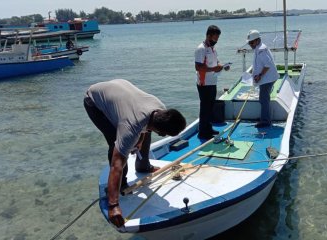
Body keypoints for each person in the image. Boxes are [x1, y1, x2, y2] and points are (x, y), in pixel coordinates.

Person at [84, 79, 186, 227]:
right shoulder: (130, 127)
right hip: (94, 101)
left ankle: (143, 166)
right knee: (115, 144)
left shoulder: (160, 109)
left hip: (119, 89)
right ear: (161, 131)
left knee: (142, 133)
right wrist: (113, 206)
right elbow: (117, 164)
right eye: (163, 134)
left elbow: (147, 126)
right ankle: (120, 186)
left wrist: (140, 139)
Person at [195, 25, 230, 140]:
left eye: (218, 38)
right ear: (208, 35)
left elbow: (215, 62)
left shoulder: (212, 49)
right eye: (215, 38)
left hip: (213, 82)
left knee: (210, 107)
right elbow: (198, 67)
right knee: (205, 108)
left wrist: (222, 66)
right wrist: (214, 69)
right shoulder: (201, 49)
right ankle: (203, 132)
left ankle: (208, 128)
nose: (217, 40)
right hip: (204, 83)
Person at [247, 30, 280, 128]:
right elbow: (259, 64)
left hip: (267, 79)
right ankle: (265, 118)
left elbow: (268, 64)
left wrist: (260, 75)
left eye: (251, 42)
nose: (250, 44)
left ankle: (265, 121)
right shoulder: (259, 48)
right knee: (263, 98)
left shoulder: (261, 49)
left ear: (257, 40)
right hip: (266, 78)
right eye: (249, 43)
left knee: (264, 99)